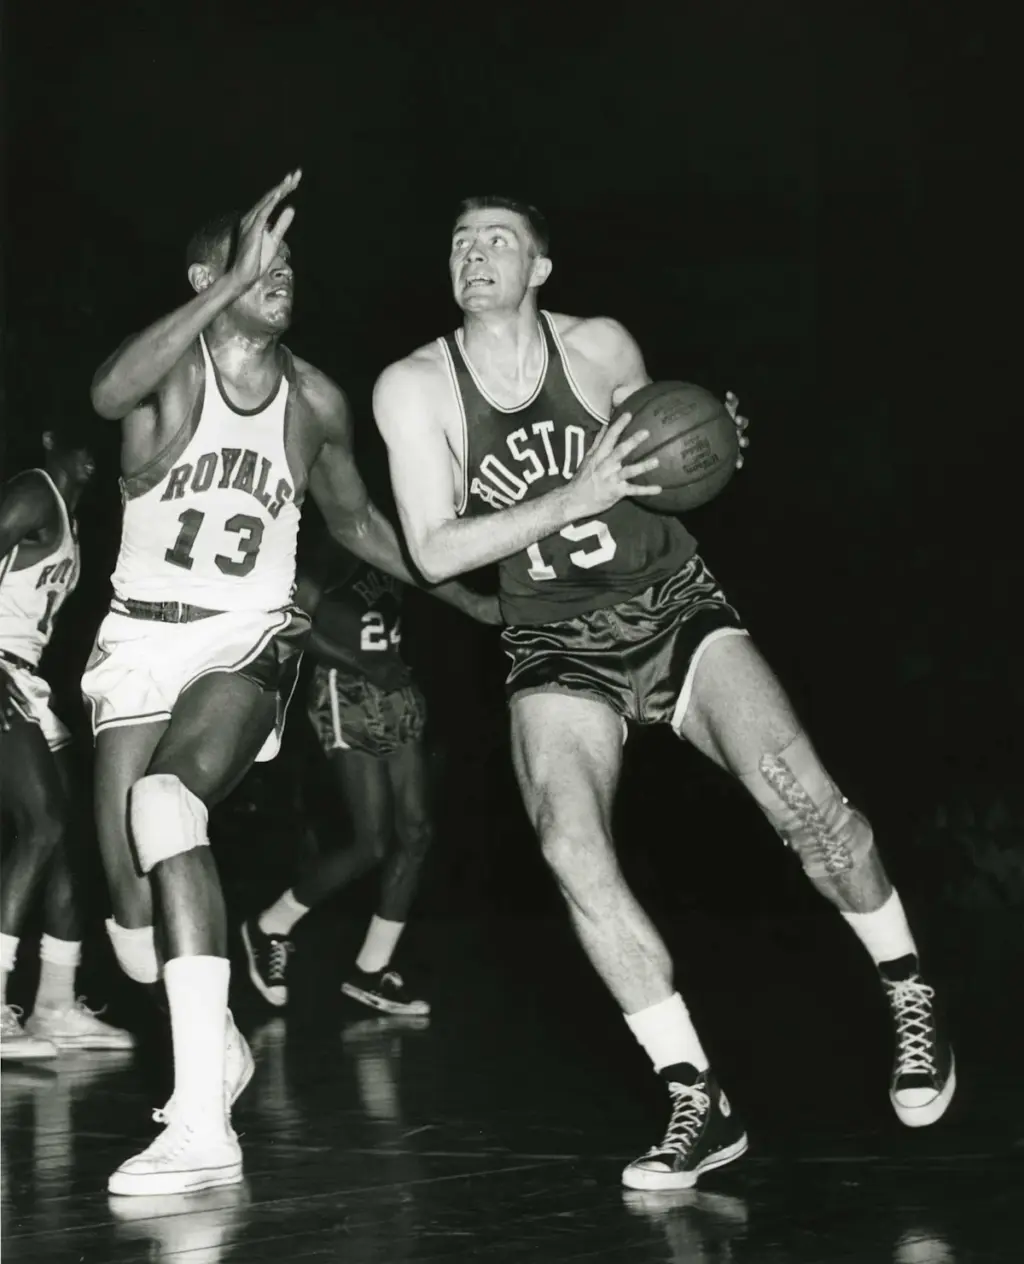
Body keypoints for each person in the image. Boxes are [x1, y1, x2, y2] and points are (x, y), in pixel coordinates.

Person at [372, 195, 955, 1191]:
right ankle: (695, 1092)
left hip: (670, 603)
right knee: (568, 845)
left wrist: (713, 443)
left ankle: (907, 988)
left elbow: (668, 450)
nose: (475, 253)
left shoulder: (599, 345)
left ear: (539, 267)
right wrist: (573, 497)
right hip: (553, 640)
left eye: (499, 239)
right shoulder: (414, 386)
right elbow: (431, 551)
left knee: (804, 802)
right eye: (462, 241)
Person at [82, 171, 498, 1198]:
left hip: (250, 638)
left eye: (288, 263)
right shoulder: (167, 375)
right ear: (208, 279)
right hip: (138, 641)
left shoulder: (314, 400)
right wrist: (231, 282)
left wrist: (471, 599)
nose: (283, 275)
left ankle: (200, 1124)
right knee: (131, 931)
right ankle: (216, 1040)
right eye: (259, 259)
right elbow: (106, 395)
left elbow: (357, 522)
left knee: (167, 803)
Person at [241, 537, 436, 1017]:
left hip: (393, 683)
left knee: (416, 833)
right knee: (371, 843)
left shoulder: (395, 535)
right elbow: (290, 625)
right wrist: (362, 662)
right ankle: (269, 926)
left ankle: (371, 970)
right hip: (344, 688)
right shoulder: (329, 547)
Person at [1, 429, 135, 1061]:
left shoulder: (73, 521)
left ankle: (54, 1005)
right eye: (78, 435)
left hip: (25, 677)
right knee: (44, 823)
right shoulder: (33, 492)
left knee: (69, 841)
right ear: (51, 438)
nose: (92, 450)